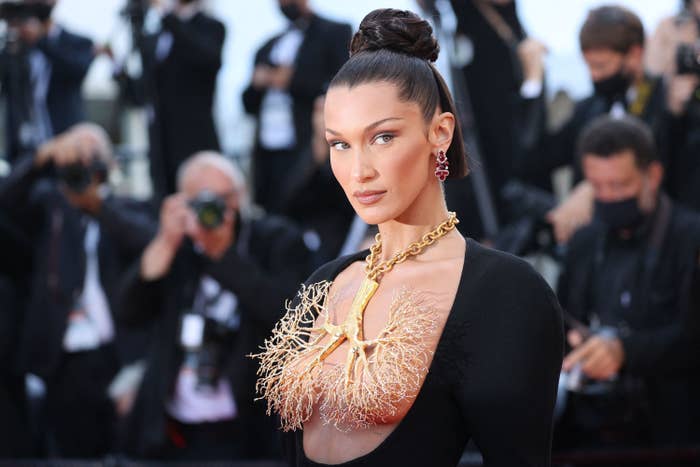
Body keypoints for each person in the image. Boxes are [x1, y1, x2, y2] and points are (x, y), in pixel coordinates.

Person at [253, 9, 564, 467]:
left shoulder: (506, 292)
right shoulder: (323, 284)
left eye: (382, 138)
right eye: (340, 144)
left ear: (440, 133)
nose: (359, 171)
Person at [118, 151, 314, 460]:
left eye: (225, 197)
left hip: (250, 429)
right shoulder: (180, 247)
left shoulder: (277, 240)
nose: (217, 210)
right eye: (203, 201)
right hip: (176, 428)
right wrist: (165, 243)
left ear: (241, 195)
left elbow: (292, 317)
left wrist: (224, 257)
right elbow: (128, 312)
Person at [0, 123, 156, 458]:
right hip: (62, 359)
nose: (82, 162)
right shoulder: (49, 208)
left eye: (91, 154)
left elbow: (147, 241)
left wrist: (96, 204)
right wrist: (43, 157)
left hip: (118, 357)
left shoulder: (128, 207)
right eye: (76, 155)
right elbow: (6, 202)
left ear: (109, 163)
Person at [556, 116, 700, 455]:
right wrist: (574, 340)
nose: (608, 197)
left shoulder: (690, 238)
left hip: (675, 434)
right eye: (598, 187)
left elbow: (692, 335)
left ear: (653, 175)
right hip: (593, 431)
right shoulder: (584, 243)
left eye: (620, 186)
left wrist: (625, 350)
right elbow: (562, 314)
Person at [242, 0, 352, 213]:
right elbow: (248, 104)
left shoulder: (335, 32)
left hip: (308, 149)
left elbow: (342, 85)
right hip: (268, 156)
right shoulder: (267, 46)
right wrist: (258, 84)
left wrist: (291, 81)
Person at [136, 0, 225, 200]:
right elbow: (143, 90)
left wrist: (167, 15)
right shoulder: (157, 35)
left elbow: (206, 58)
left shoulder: (211, 27)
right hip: (161, 145)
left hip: (195, 140)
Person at [0, 0, 95, 163]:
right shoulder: (17, 48)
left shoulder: (77, 42)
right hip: (24, 154)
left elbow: (76, 70)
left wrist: (40, 39)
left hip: (66, 150)